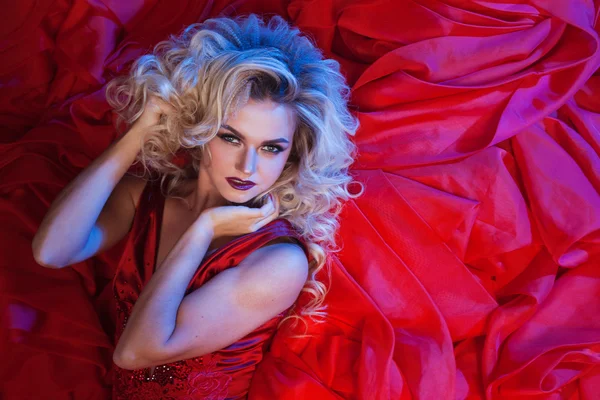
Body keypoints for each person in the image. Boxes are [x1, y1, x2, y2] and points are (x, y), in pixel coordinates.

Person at [31, 13, 360, 399]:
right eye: (230, 137)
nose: (248, 167)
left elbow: (136, 352)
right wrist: (139, 132)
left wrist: (202, 230)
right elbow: (52, 252)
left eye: (271, 148)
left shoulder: (279, 261)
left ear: (291, 156)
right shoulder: (148, 197)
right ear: (200, 130)